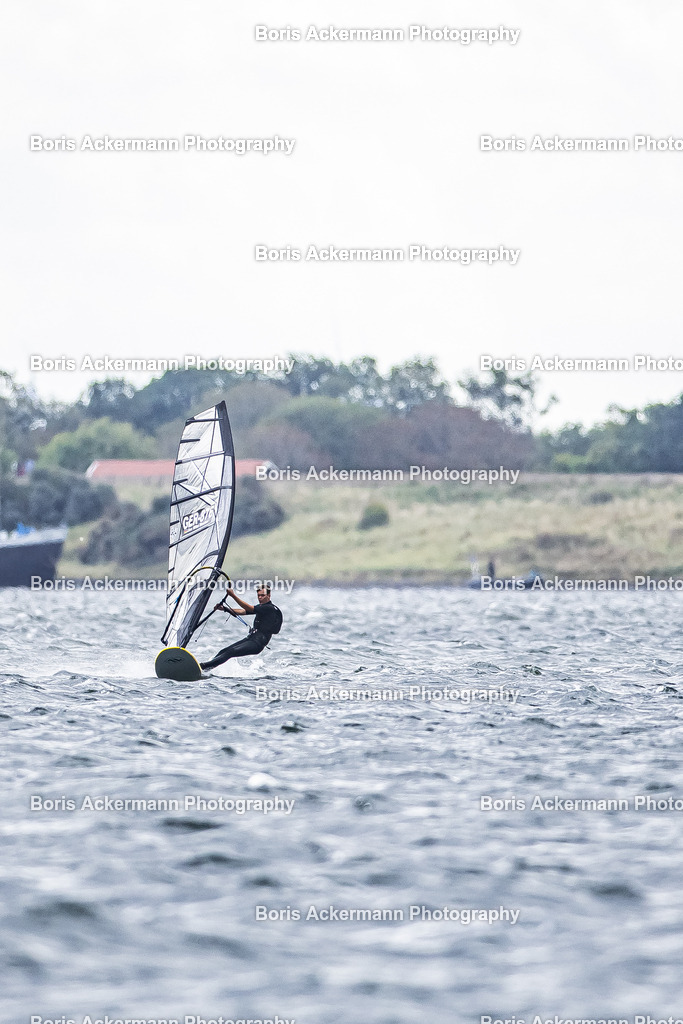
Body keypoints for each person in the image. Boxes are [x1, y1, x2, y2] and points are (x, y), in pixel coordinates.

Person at [200, 584, 283, 671]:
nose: (260, 598)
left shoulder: (269, 608)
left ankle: (203, 666)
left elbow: (249, 608)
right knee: (224, 651)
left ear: (269, 595)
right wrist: (225, 609)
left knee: (231, 651)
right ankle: (206, 669)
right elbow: (242, 611)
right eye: (258, 595)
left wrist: (233, 595)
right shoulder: (262, 608)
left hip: (257, 644)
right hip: (251, 639)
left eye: (262, 595)